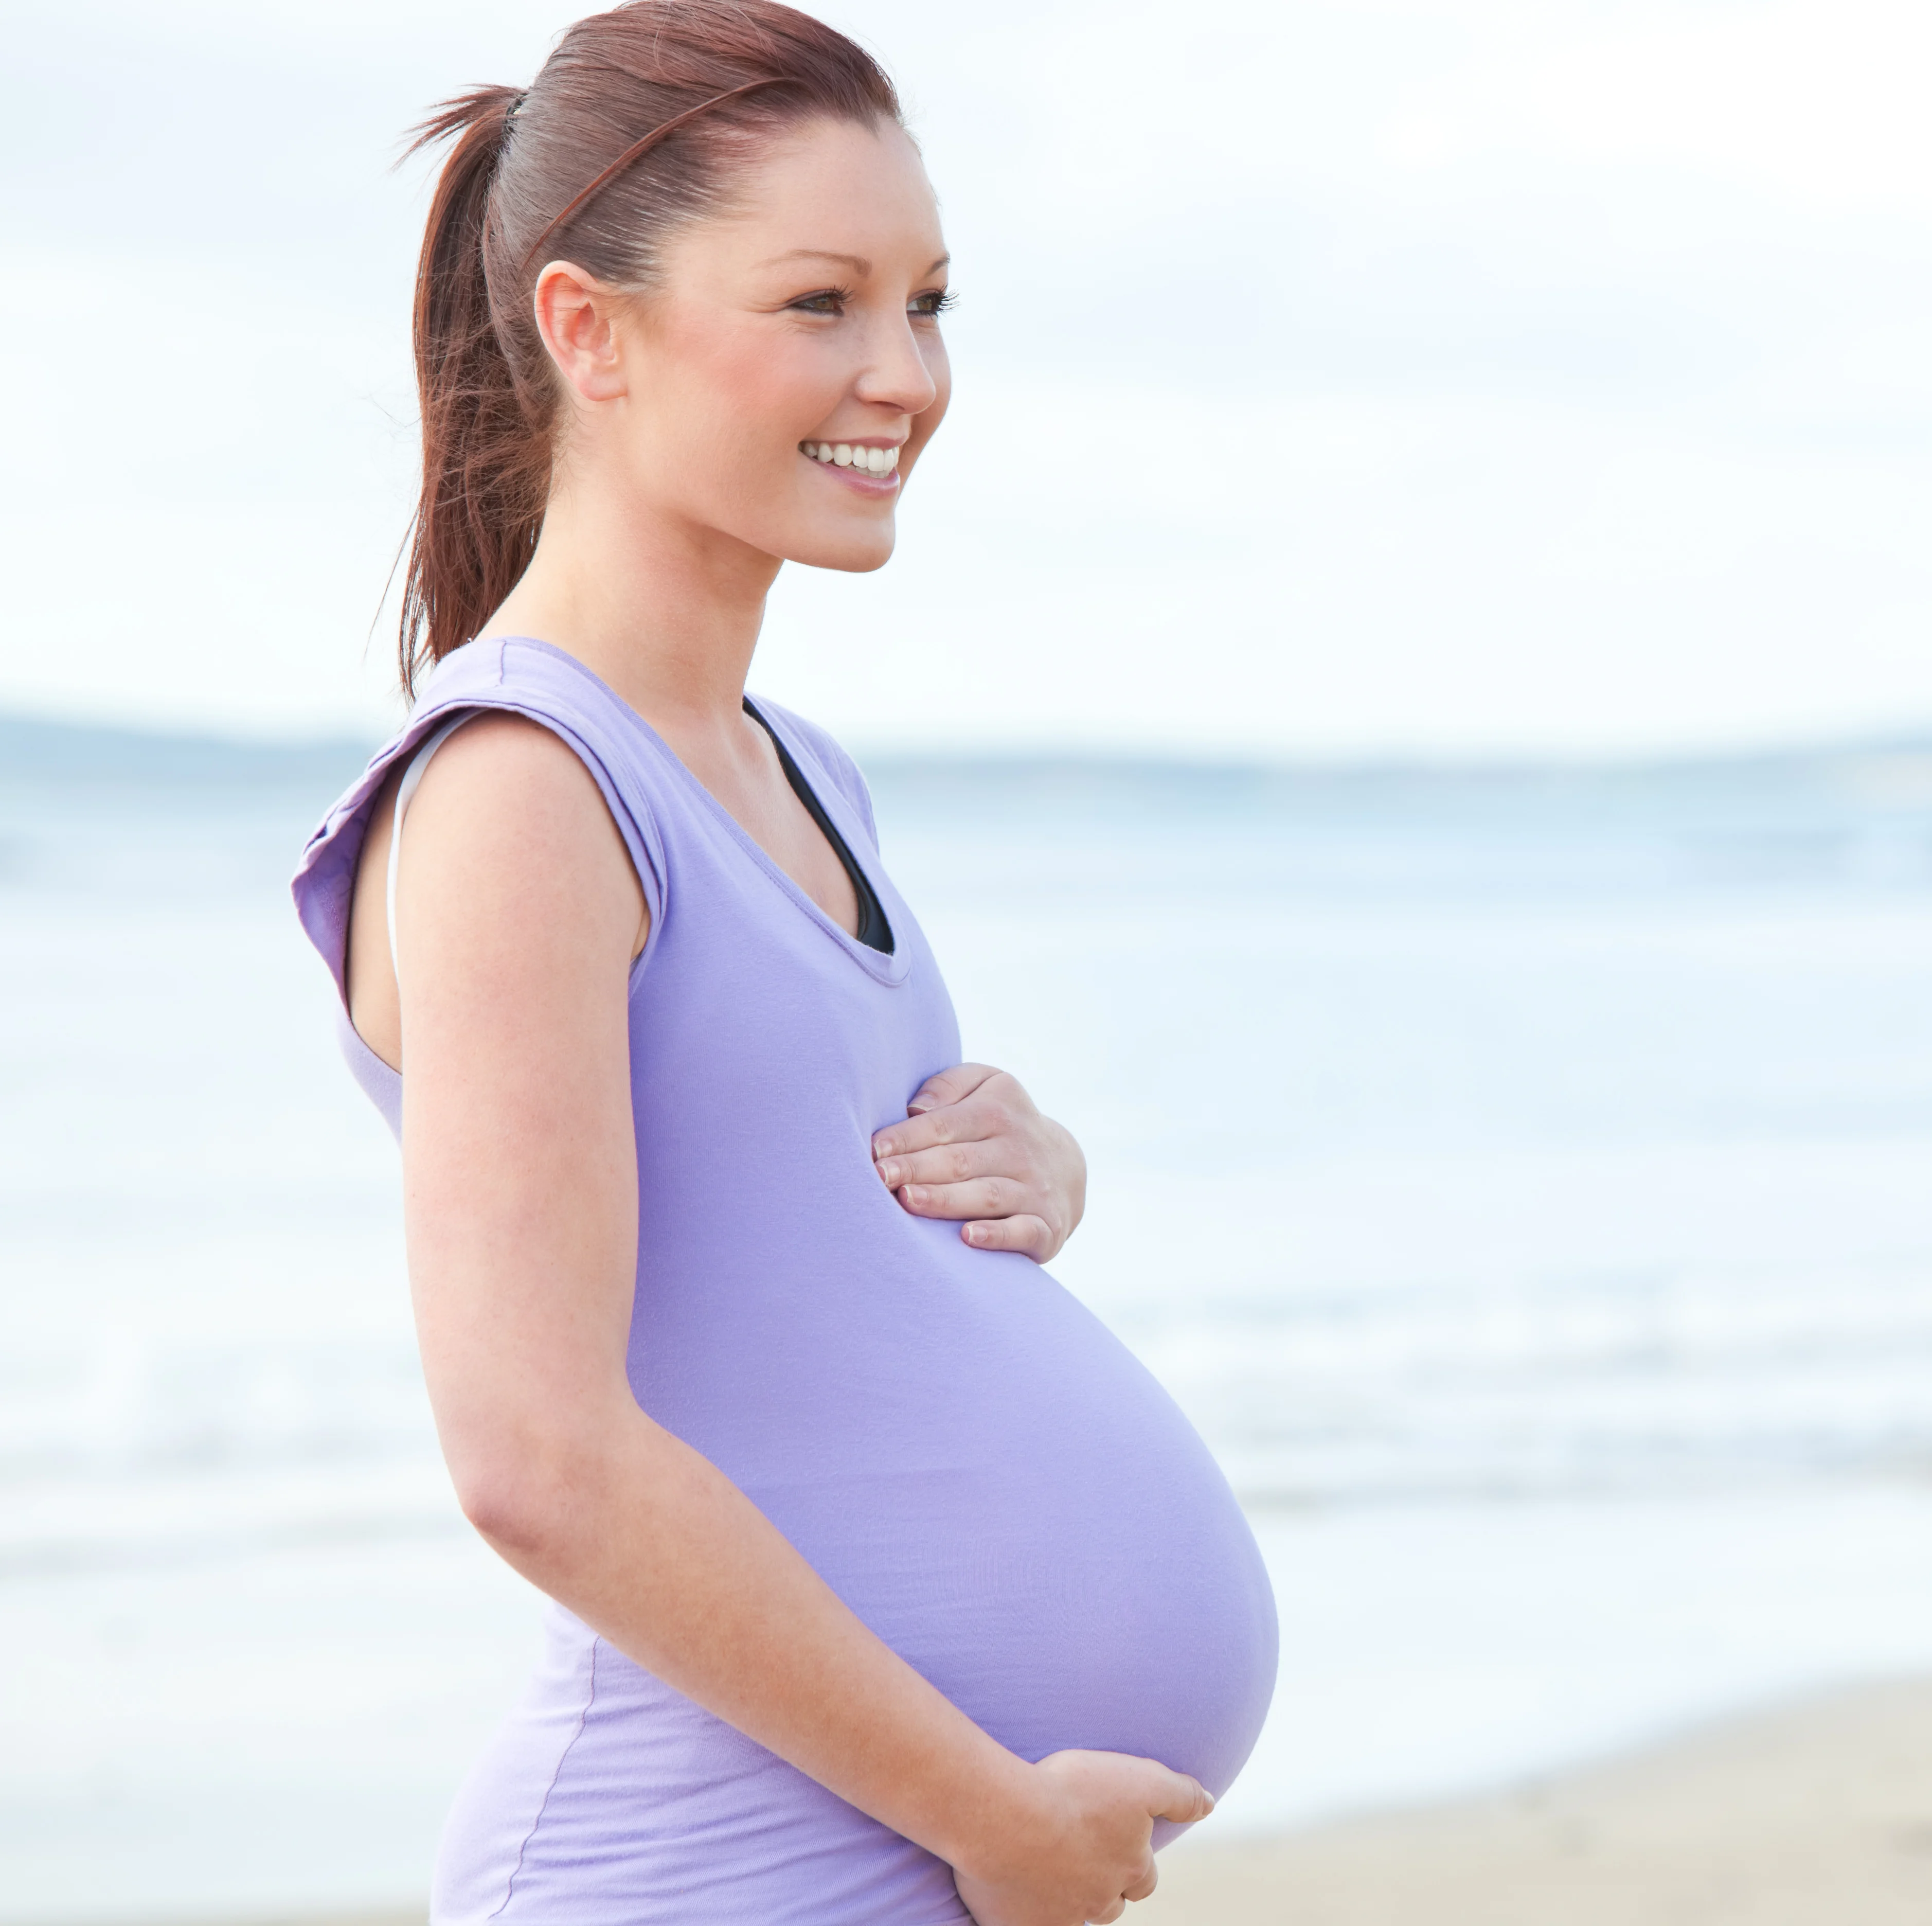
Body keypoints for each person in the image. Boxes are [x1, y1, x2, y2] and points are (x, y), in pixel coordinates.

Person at [284, 5, 1278, 1920]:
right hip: (706, 1870)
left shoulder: (791, 770)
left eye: (929, 303)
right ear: (592, 332)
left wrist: (1025, 1173)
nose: (901, 374)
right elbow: (538, 1460)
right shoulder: (523, 792)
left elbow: (796, 1247)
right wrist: (985, 1811)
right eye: (820, 301)